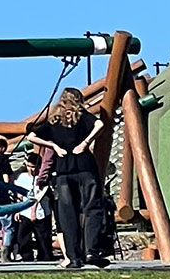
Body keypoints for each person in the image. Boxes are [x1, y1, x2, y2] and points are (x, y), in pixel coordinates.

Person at [24, 87, 109, 269]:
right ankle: (91, 250)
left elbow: (31, 135)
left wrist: (53, 145)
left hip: (63, 172)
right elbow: (100, 124)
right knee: (92, 207)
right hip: (86, 167)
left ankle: (73, 257)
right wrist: (85, 143)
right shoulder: (83, 117)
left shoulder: (54, 122)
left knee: (67, 214)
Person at [8, 153, 54, 262]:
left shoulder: (44, 178)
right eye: (29, 166)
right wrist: (17, 210)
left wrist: (34, 211)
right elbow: (18, 196)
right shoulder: (21, 178)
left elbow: (39, 196)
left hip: (41, 212)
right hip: (25, 212)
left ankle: (45, 259)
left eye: (34, 167)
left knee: (43, 240)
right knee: (22, 238)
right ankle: (26, 258)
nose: (31, 170)